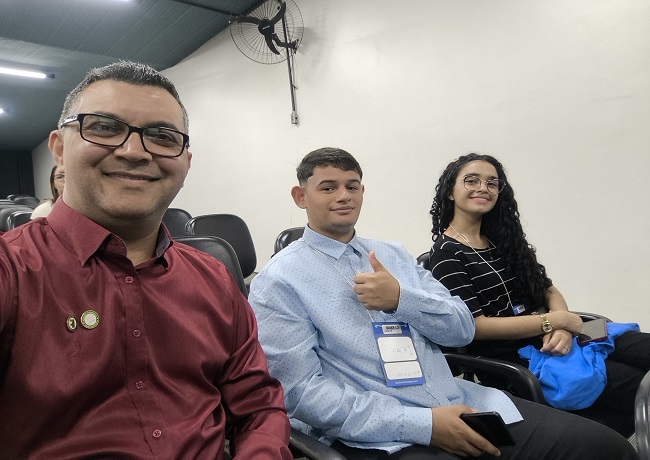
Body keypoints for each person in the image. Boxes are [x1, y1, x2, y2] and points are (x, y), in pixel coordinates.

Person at [248, 147, 637, 459]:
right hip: (383, 433)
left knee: (608, 447)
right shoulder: (279, 280)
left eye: (352, 186)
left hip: (462, 398)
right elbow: (300, 393)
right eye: (328, 187)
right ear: (301, 196)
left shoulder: (396, 254)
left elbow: (462, 325)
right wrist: (423, 424)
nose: (344, 196)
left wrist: (401, 299)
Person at [0, 61, 291, 459]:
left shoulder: (215, 279)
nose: (135, 151)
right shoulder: (11, 271)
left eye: (162, 136)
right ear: (60, 149)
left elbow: (258, 408)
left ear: (186, 163)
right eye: (105, 127)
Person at [428, 152, 650, 437]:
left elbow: (548, 289)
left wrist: (563, 325)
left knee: (643, 347)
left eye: (492, 183)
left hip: (564, 329)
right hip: (523, 352)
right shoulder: (446, 254)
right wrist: (553, 323)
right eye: (472, 180)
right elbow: (475, 327)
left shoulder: (503, 240)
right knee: (639, 383)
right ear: (450, 191)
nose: (483, 188)